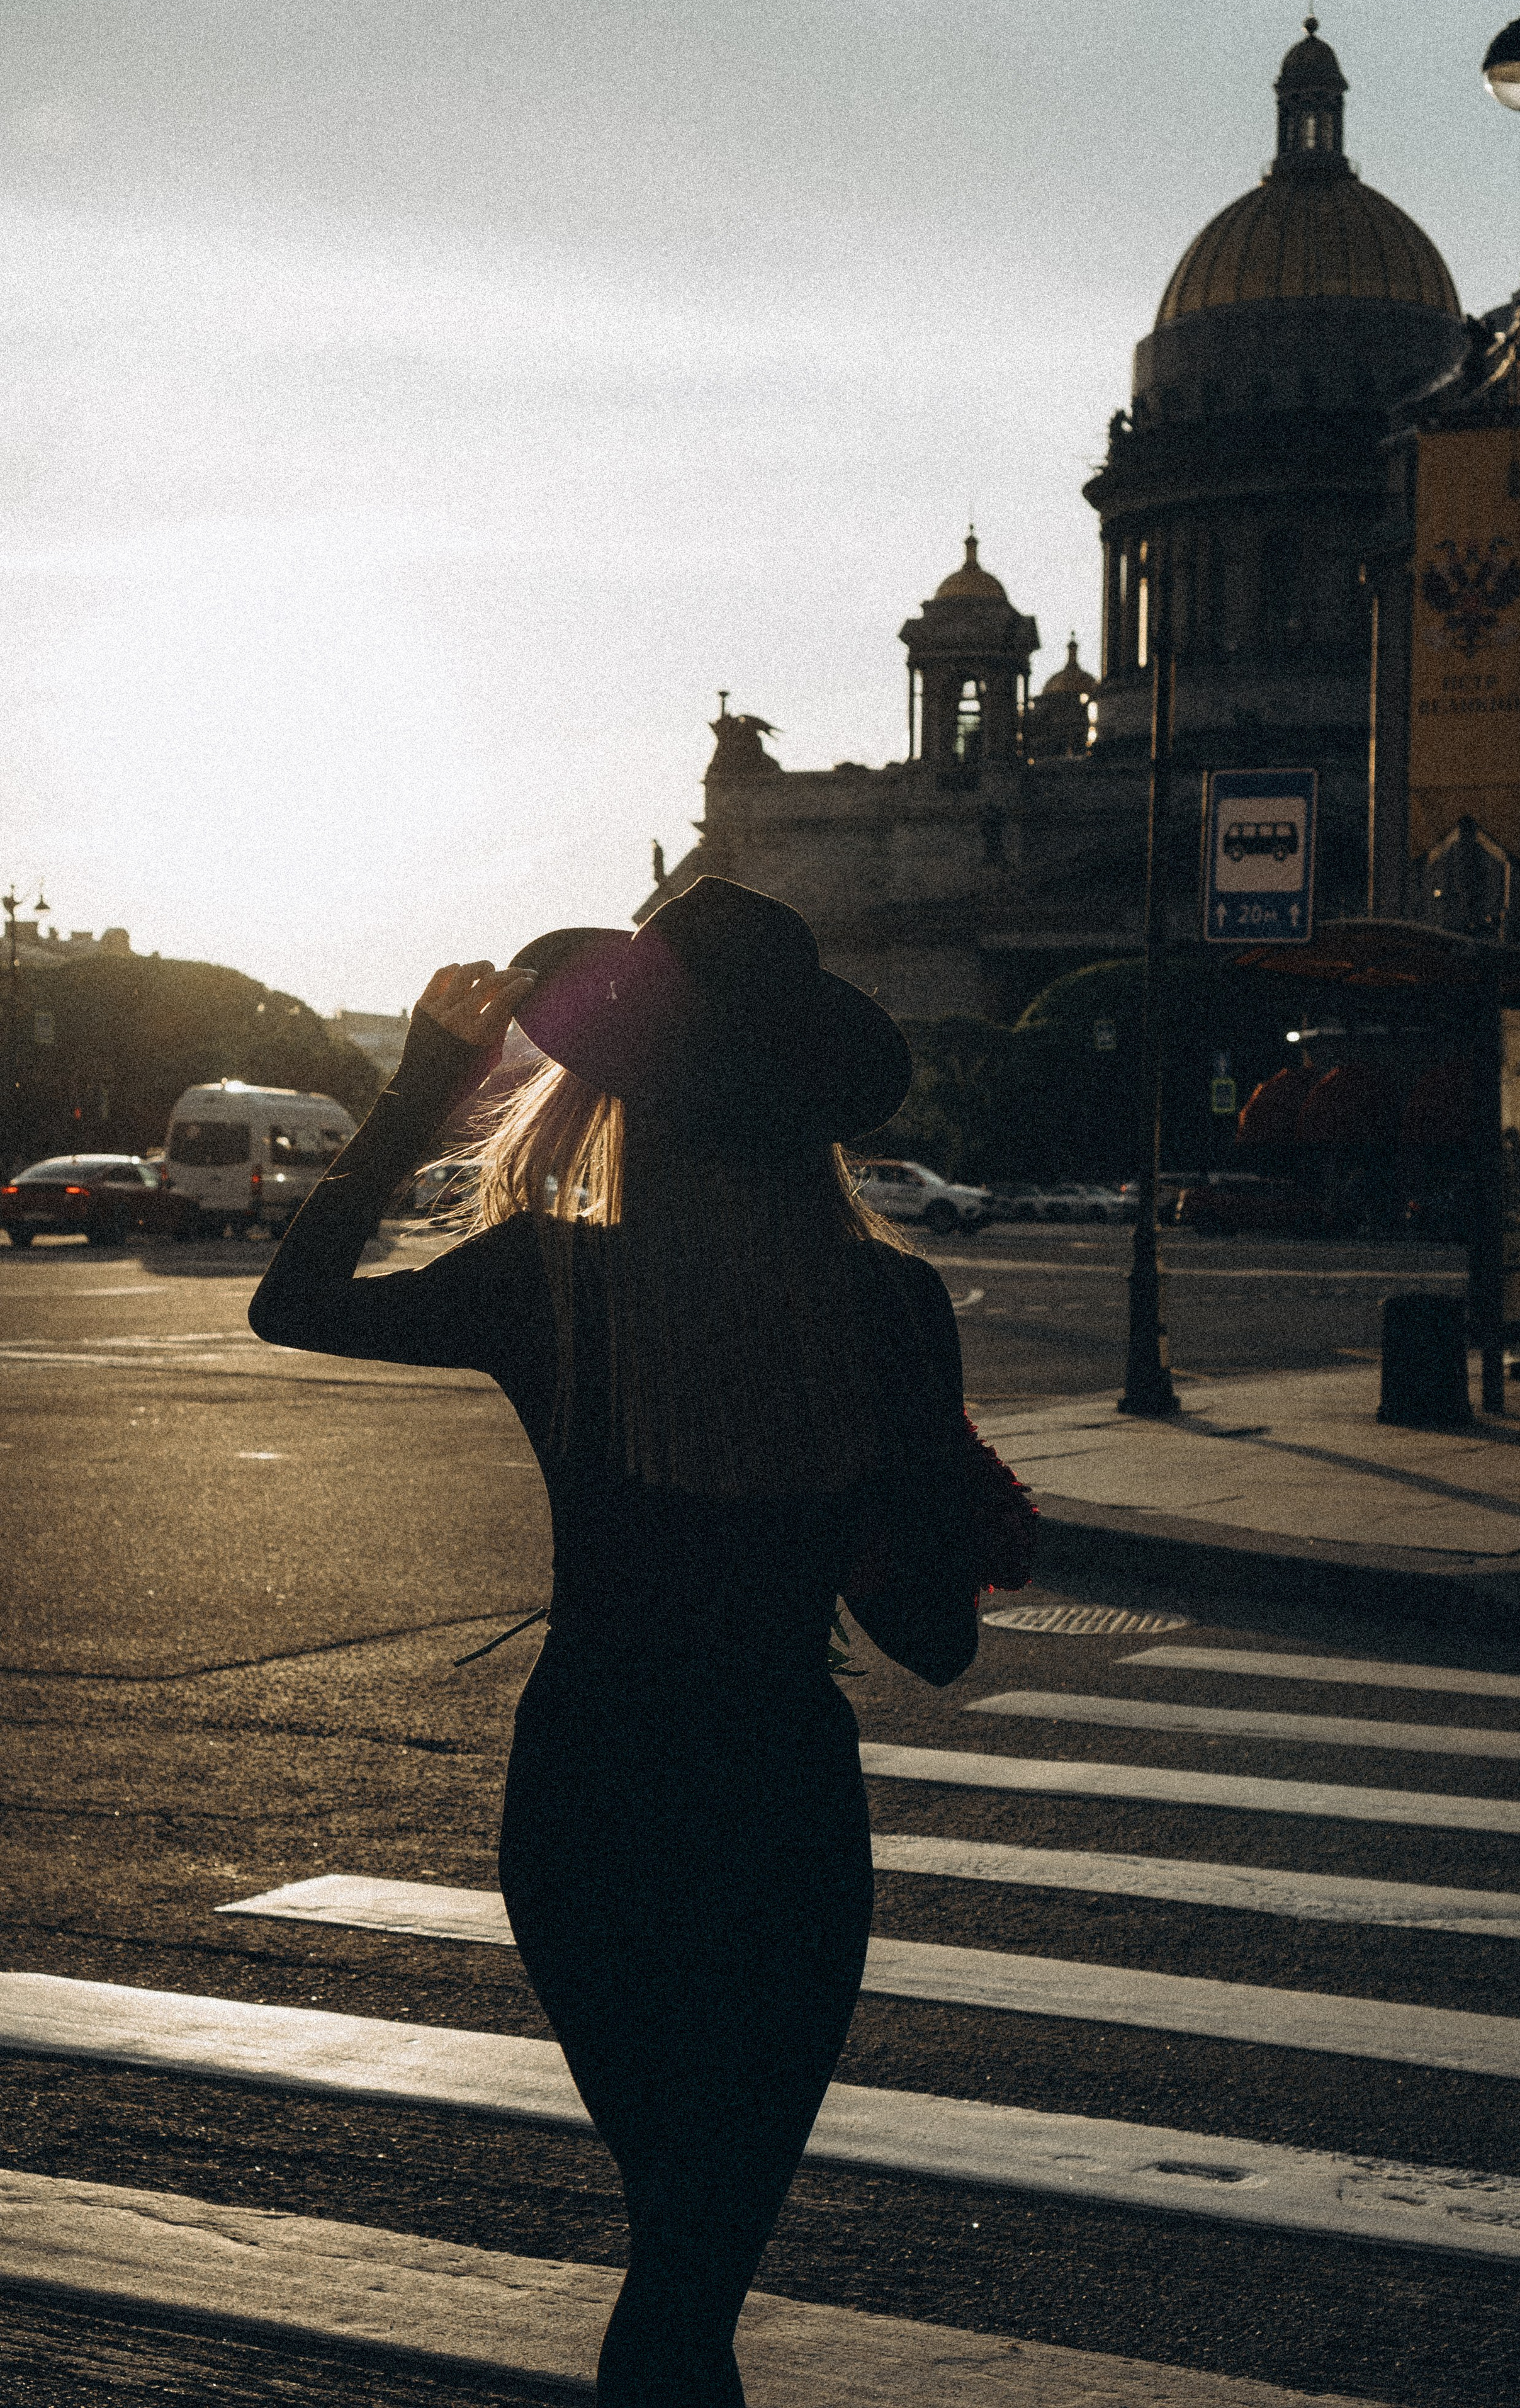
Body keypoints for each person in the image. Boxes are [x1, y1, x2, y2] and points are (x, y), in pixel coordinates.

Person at [249, 875, 982, 2406]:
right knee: (694, 2268)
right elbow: (929, 1642)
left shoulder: (549, 1277)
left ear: (619, 1093)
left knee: (673, 2244)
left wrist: (422, 1089)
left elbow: (294, 1303)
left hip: (591, 1796)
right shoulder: (891, 1305)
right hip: (777, 1805)